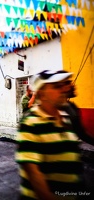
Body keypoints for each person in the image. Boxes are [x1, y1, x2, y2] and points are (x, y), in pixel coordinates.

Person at [16, 70, 86, 200]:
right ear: (42, 94)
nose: (64, 89)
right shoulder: (30, 123)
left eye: (64, 85)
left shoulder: (66, 117)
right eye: (56, 86)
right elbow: (34, 174)